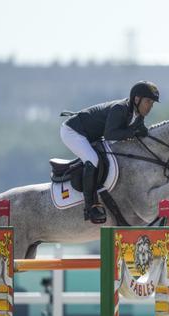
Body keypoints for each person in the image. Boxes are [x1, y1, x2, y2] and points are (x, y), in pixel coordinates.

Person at [60, 81, 160, 224]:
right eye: (148, 101)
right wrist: (134, 132)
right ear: (137, 99)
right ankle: (90, 207)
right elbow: (110, 135)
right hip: (73, 131)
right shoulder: (120, 108)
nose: (150, 106)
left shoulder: (137, 114)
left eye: (152, 103)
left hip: (91, 135)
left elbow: (138, 131)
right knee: (93, 160)